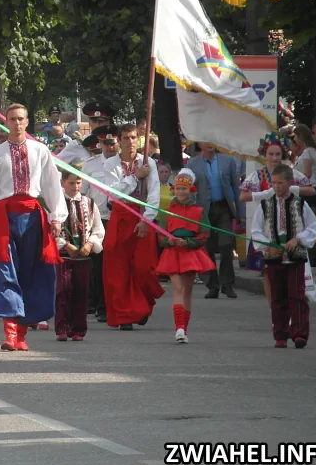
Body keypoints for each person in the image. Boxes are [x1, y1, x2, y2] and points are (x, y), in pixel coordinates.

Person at [0, 104, 66, 351]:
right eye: (12, 119)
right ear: (6, 122)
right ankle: (10, 333)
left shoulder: (40, 150)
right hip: (4, 219)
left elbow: (51, 184)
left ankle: (22, 335)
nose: (17, 123)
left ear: (27, 121)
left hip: (33, 216)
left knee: (31, 273)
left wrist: (56, 216)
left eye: (21, 118)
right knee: (5, 271)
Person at [102, 123, 164, 330]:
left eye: (134, 138)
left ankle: (142, 305)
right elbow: (113, 193)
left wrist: (147, 219)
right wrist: (135, 177)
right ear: (119, 141)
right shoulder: (111, 164)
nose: (130, 142)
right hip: (120, 217)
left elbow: (154, 192)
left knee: (144, 267)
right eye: (126, 138)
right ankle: (125, 315)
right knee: (118, 269)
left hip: (142, 216)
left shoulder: (149, 163)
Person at [251, 165, 316, 348]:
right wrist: (267, 247)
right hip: (274, 258)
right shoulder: (265, 205)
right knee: (277, 296)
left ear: (290, 183)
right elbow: (256, 231)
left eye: (280, 183)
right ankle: (280, 334)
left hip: (295, 257)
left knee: (297, 294)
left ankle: (299, 333)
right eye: (274, 183)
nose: (277, 187)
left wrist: (299, 239)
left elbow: (313, 227)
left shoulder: (300, 204)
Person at [155, 169, 215, 344]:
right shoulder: (168, 212)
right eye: (178, 189)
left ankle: (184, 328)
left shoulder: (199, 211)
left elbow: (205, 234)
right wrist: (171, 241)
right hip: (173, 253)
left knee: (187, 291)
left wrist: (188, 243)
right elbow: (160, 236)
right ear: (174, 190)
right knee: (178, 288)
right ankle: (179, 327)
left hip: (190, 253)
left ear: (191, 190)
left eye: (184, 189)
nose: (181, 192)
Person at [186, 143, 244, 299]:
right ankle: (212, 286)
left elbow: (237, 187)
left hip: (223, 208)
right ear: (200, 144)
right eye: (205, 141)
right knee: (207, 248)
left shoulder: (228, 161)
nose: (209, 144)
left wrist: (241, 213)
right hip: (203, 211)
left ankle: (227, 284)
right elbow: (187, 188)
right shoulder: (192, 163)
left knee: (226, 245)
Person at [55, 169, 104, 342]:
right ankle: (62, 327)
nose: (75, 187)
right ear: (63, 182)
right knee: (63, 290)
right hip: (64, 254)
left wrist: (90, 244)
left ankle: (78, 329)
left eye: (78, 183)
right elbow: (50, 229)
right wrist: (65, 244)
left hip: (83, 254)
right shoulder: (56, 203)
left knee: (81, 291)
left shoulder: (89, 203)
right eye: (71, 183)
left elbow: (98, 228)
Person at [80, 126, 117, 323]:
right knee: (99, 266)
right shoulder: (91, 165)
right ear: (100, 144)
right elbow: (83, 195)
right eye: (106, 143)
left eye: (113, 143)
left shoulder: (124, 164)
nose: (110, 147)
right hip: (99, 219)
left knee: (117, 265)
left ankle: (115, 304)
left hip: (119, 219)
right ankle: (101, 306)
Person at [291, 124, 316, 210]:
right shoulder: (312, 150)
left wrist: (293, 180)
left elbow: (307, 173)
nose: (295, 139)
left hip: (307, 188)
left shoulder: (307, 152)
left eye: (296, 136)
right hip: (312, 186)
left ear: (300, 136)